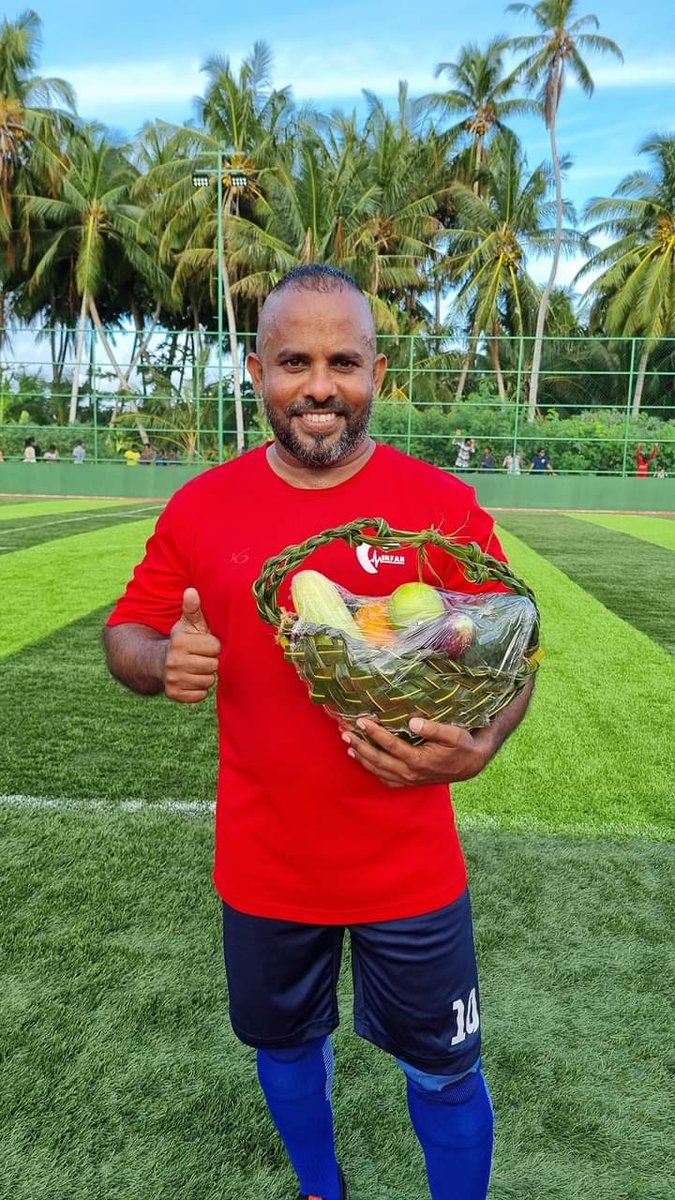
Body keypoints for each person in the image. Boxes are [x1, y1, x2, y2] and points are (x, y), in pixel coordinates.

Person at [103, 265, 536, 1200]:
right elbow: (127, 629)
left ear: (376, 372)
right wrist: (158, 659)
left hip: (408, 864)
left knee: (446, 1070)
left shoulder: (437, 506)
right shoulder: (202, 508)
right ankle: (319, 1189)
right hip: (266, 862)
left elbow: (514, 648)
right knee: (288, 1048)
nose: (319, 386)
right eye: (294, 361)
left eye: (342, 361)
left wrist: (484, 743)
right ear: (256, 370)